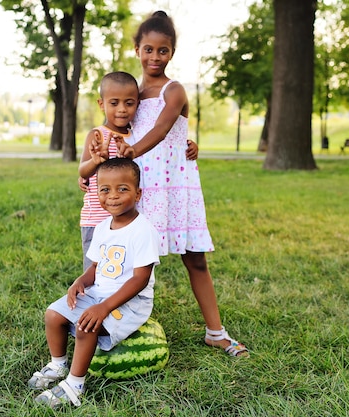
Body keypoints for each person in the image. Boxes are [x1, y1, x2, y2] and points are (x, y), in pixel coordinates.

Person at [127, 10, 249, 357]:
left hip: (177, 187)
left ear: (171, 53)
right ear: (137, 49)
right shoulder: (131, 92)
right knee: (138, 260)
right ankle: (125, 327)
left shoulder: (174, 90)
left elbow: (163, 128)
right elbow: (116, 123)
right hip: (144, 187)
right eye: (148, 49)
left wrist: (137, 148)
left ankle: (216, 332)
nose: (154, 57)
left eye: (162, 50)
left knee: (195, 259)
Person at [30, 157, 160, 408]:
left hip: (131, 302)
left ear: (138, 193)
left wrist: (105, 307)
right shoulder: (101, 227)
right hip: (99, 293)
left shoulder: (143, 230)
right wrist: (80, 281)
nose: (113, 196)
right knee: (53, 315)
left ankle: (74, 386)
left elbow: (141, 279)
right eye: (105, 189)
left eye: (122, 189)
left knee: (85, 325)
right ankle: (58, 365)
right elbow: (96, 267)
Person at [78, 71, 140, 271]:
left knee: (122, 268)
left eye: (129, 103)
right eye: (114, 103)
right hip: (96, 219)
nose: (122, 109)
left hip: (126, 218)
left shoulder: (138, 138)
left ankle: (116, 302)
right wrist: (96, 161)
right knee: (94, 270)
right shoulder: (97, 135)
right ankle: (91, 302)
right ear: (101, 104)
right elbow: (83, 171)